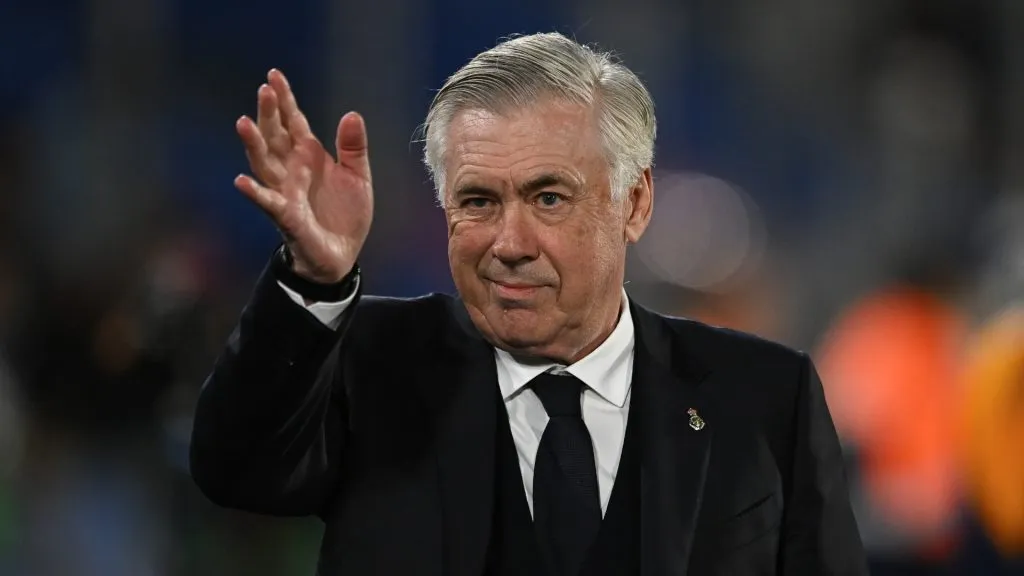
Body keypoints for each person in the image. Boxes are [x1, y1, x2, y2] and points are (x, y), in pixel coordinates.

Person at [189, 32, 867, 575]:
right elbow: (236, 472)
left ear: (634, 203)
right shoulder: (371, 360)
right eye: (478, 201)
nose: (510, 243)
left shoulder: (767, 397)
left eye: (549, 198)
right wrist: (313, 278)